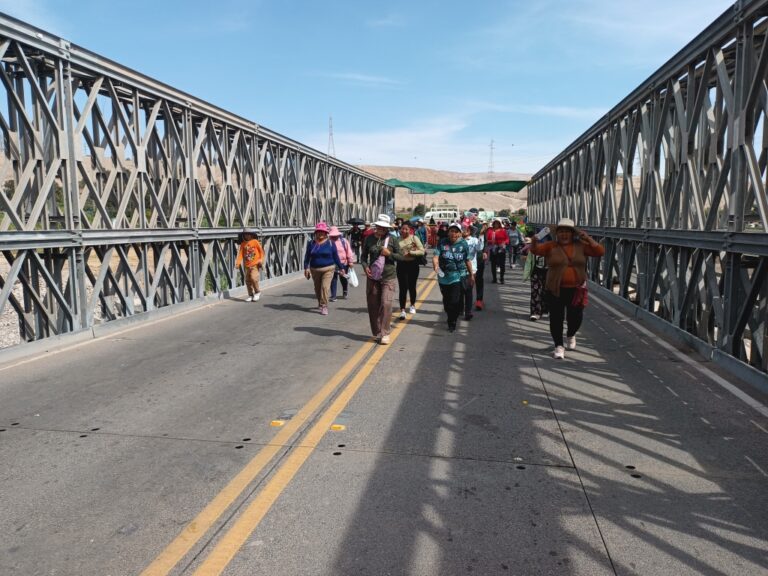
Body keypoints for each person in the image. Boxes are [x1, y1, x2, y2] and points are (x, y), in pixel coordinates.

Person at [529, 218, 605, 359]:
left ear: (572, 233)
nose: (564, 234)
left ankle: (571, 333)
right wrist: (534, 240)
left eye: (567, 232)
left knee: (575, 317)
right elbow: (535, 250)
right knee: (556, 318)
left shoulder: (581, 245)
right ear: (557, 234)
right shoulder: (551, 246)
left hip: (576, 289)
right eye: (561, 232)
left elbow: (599, 251)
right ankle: (558, 346)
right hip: (555, 289)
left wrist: (588, 238)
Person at [361, 214, 404, 344]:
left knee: (386, 303)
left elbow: (401, 257)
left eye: (383, 227)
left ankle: (385, 332)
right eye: (378, 227)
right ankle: (377, 332)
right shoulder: (369, 239)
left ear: (387, 229)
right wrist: (365, 266)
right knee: (373, 305)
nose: (380, 229)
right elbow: (363, 257)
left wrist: (389, 254)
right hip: (373, 276)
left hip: (388, 276)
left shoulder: (393, 239)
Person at [433, 222, 474, 332]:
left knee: (454, 300)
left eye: (456, 231)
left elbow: (467, 260)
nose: (453, 233)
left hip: (457, 275)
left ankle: (452, 322)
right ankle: (450, 314)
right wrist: (436, 265)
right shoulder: (442, 242)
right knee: (446, 301)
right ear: (448, 232)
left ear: (460, 233)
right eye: (452, 231)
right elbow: (436, 256)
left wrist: (471, 275)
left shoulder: (463, 244)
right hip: (443, 276)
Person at [303, 222, 344, 315]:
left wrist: (341, 268)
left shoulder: (330, 243)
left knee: (325, 287)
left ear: (326, 233)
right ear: (315, 233)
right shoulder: (311, 243)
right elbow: (307, 257)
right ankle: (320, 302)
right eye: (318, 232)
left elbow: (336, 256)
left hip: (328, 269)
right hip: (315, 269)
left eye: (322, 232)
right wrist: (306, 268)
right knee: (317, 288)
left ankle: (324, 305)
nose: (320, 233)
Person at [394, 221, 425, 319]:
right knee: (402, 288)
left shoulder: (414, 238)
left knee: (412, 286)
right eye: (402, 229)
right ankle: (402, 310)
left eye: (406, 229)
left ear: (410, 230)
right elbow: (393, 252)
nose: (404, 231)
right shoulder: (396, 240)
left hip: (413, 265)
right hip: (401, 265)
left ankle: (412, 305)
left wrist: (411, 253)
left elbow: (422, 251)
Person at [522, 228, 549, 321]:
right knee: (535, 292)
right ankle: (535, 312)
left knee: (547, 292)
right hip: (536, 272)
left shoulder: (553, 250)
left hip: (549, 273)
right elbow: (529, 262)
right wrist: (526, 274)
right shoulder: (533, 250)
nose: (542, 244)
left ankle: (544, 310)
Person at [235, 230, 264, 302]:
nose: (247, 236)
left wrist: (261, 260)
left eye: (248, 234)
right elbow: (240, 254)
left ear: (251, 235)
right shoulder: (243, 244)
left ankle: (257, 292)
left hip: (255, 264)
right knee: (247, 280)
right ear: (243, 236)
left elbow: (261, 252)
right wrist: (238, 263)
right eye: (245, 234)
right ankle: (250, 295)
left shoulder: (255, 242)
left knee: (254, 278)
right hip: (247, 266)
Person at [460, 223, 482, 320]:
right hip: (459, 269)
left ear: (469, 231)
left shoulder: (474, 240)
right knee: (460, 290)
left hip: (472, 268)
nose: (464, 231)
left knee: (469, 290)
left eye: (466, 229)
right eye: (462, 229)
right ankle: (460, 309)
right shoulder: (458, 240)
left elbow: (479, 248)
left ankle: (468, 312)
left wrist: (481, 236)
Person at [329, 226, 356, 301]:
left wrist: (350, 261)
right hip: (333, 264)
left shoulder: (343, 241)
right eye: (332, 236)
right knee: (333, 279)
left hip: (343, 263)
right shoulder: (329, 242)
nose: (334, 237)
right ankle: (333, 295)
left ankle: (345, 291)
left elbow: (349, 251)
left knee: (343, 278)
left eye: (335, 235)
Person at [485, 218, 510, 284]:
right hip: (493, 249)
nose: (496, 224)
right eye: (495, 223)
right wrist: (491, 241)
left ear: (500, 224)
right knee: (493, 264)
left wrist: (504, 243)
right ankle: (494, 279)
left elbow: (507, 239)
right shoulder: (490, 230)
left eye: (497, 223)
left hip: (501, 249)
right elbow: (487, 239)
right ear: (493, 223)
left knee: (502, 265)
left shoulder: (503, 230)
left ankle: (502, 278)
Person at [474, 221, 488, 310]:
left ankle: (479, 300)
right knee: (468, 282)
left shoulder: (483, 234)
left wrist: (484, 252)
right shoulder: (468, 232)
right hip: (469, 259)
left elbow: (485, 243)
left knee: (479, 279)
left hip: (479, 259)